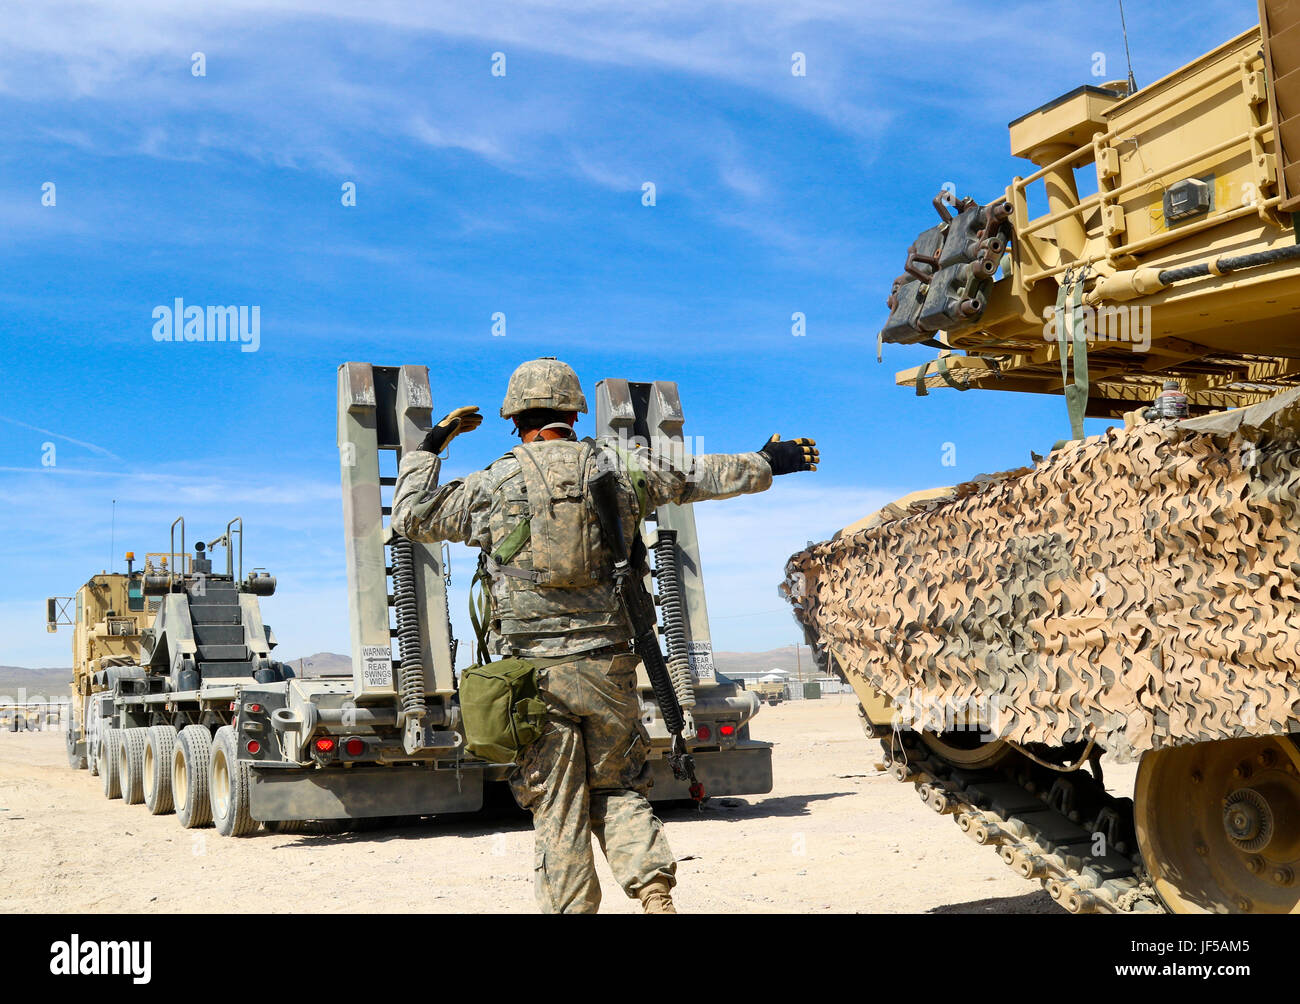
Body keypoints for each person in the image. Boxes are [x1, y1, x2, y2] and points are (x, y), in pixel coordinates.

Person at [391, 357, 818, 913]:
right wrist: (768, 461)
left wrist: (431, 446)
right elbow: (699, 475)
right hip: (609, 670)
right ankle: (654, 890)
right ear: (574, 411)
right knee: (617, 787)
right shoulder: (620, 468)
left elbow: (411, 517)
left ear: (516, 419)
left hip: (534, 679)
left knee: (559, 804)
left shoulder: (490, 484)